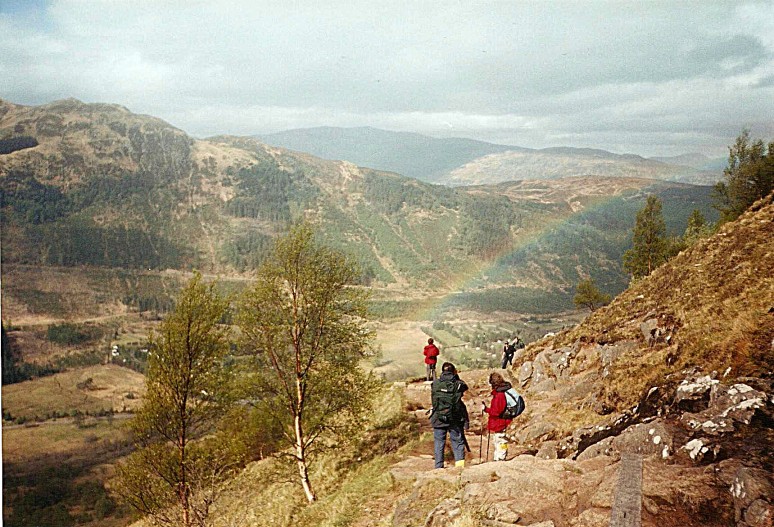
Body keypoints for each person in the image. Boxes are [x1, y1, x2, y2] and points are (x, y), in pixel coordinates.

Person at [430, 362, 469, 469]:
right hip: (454, 418)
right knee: (457, 442)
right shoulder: (458, 384)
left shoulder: (435, 384)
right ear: (453, 371)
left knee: (439, 443)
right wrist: (456, 376)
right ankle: (460, 467)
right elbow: (465, 386)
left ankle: (438, 467)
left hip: (438, 417)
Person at [482, 371, 513, 461]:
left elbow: (496, 412)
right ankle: (499, 458)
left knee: (500, 440)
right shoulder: (502, 392)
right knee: (499, 440)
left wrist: (486, 409)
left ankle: (500, 459)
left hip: (500, 422)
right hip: (502, 422)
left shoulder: (500, 395)